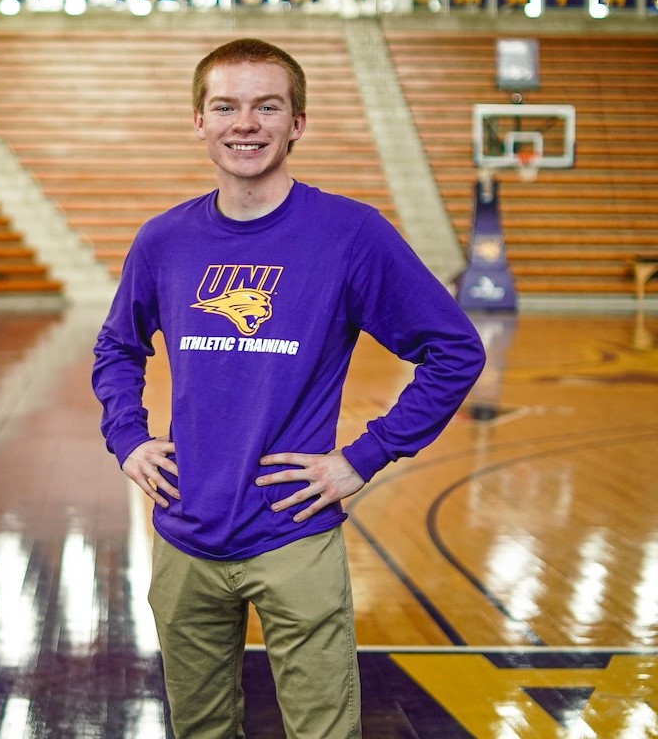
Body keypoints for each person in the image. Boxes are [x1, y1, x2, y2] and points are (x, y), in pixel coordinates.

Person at [92, 37, 486, 739]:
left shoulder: (350, 234)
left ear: (296, 123)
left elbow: (453, 350)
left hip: (294, 534)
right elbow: (118, 346)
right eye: (226, 106)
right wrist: (127, 437)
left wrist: (362, 457)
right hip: (183, 535)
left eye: (266, 106)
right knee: (199, 730)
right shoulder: (164, 241)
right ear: (200, 121)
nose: (245, 123)